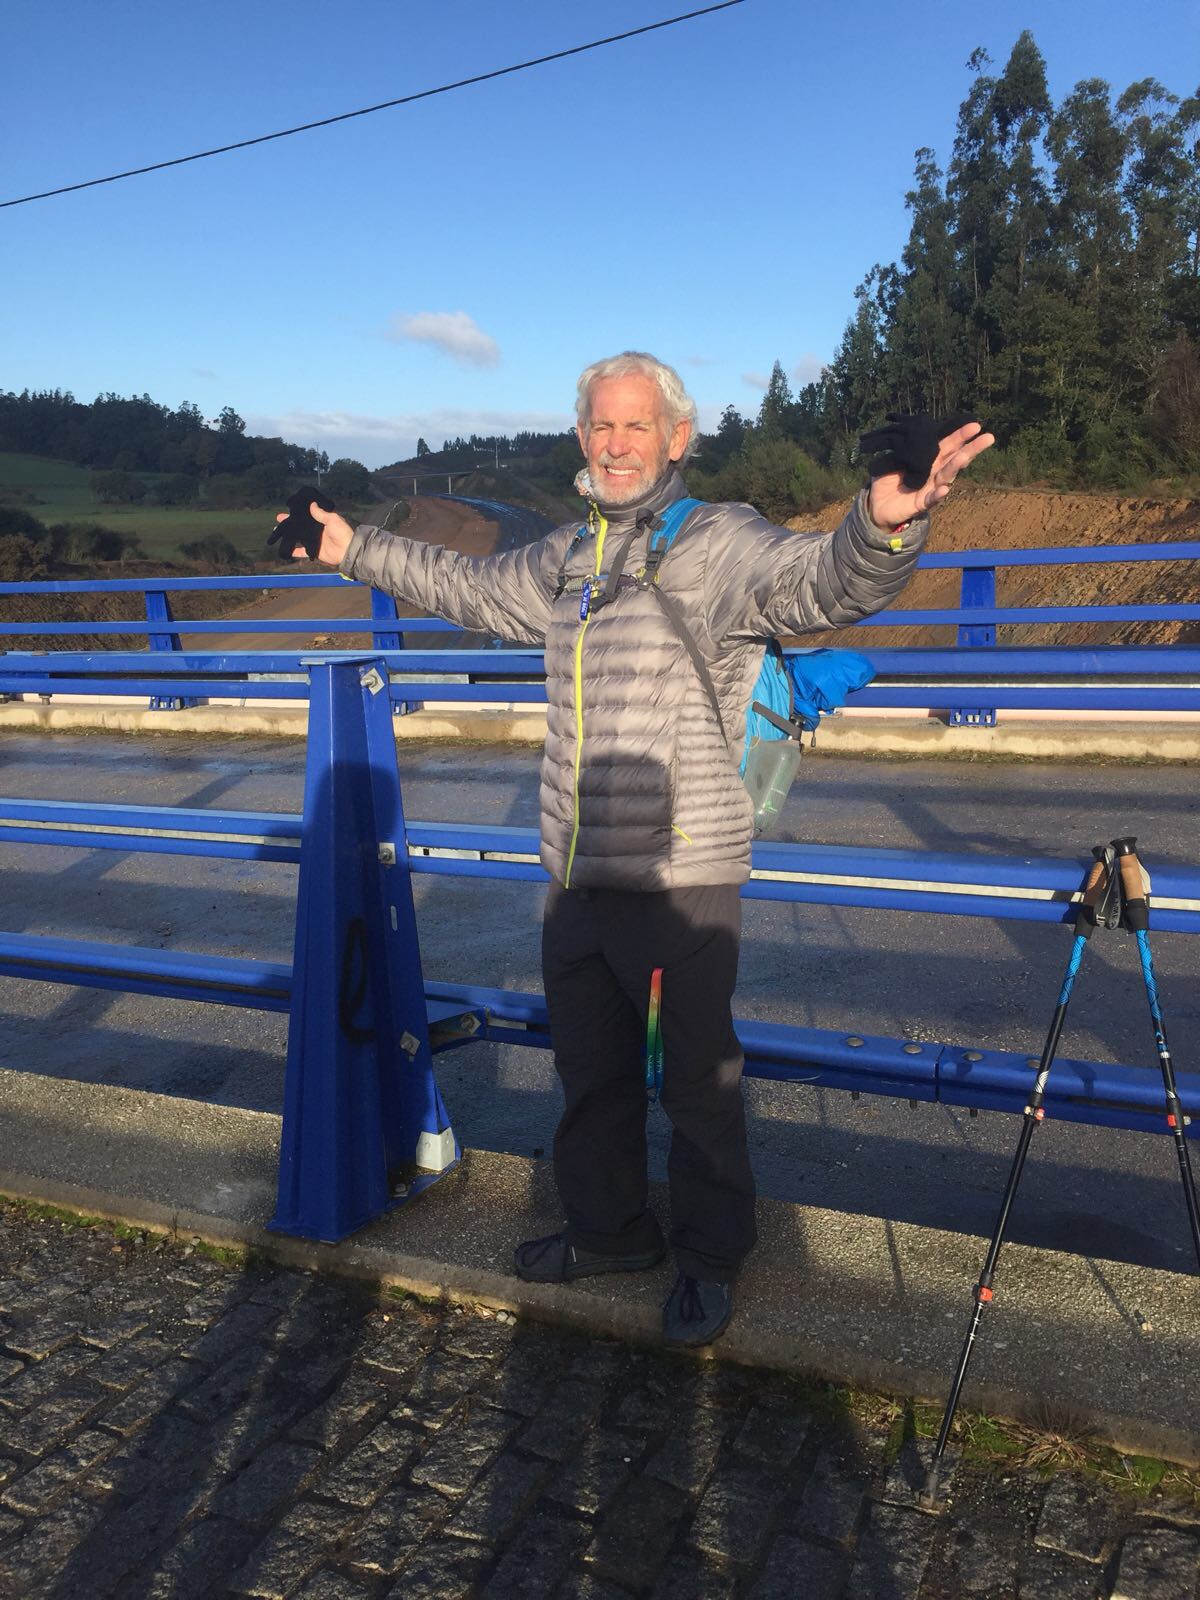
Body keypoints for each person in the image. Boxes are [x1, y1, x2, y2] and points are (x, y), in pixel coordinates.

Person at [281, 352, 992, 1346]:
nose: (617, 445)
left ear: (676, 438)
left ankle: (709, 1257)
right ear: (584, 436)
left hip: (681, 874)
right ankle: (609, 1230)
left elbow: (823, 584)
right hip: (577, 872)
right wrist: (349, 545)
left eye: (637, 426)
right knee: (592, 1075)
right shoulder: (565, 555)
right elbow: (467, 585)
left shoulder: (721, 542)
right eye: (602, 425)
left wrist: (884, 523)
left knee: (698, 1086)